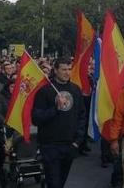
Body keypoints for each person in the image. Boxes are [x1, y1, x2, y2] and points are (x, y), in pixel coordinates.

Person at [32, 58, 86, 188]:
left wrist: (77, 141)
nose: (67, 72)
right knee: (54, 183)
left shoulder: (76, 90)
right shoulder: (45, 91)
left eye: (69, 69)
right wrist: (55, 109)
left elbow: (82, 116)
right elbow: (36, 118)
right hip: (50, 146)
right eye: (63, 69)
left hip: (69, 144)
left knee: (61, 182)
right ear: (55, 70)